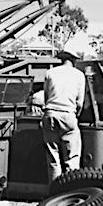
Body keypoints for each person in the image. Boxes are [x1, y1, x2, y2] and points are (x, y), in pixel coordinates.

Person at [41, 50, 87, 183]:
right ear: (74, 60)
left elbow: (46, 96)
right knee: (72, 157)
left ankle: (55, 191)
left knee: (53, 157)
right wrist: (75, 116)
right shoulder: (79, 75)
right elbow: (80, 103)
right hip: (68, 114)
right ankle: (70, 190)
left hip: (50, 113)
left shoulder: (50, 73)